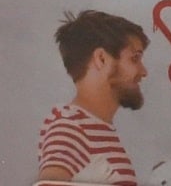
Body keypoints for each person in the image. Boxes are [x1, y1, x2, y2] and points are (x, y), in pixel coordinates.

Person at [37, 10, 150, 185]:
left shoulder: (94, 127)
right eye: (135, 58)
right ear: (101, 59)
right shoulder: (69, 128)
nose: (144, 71)